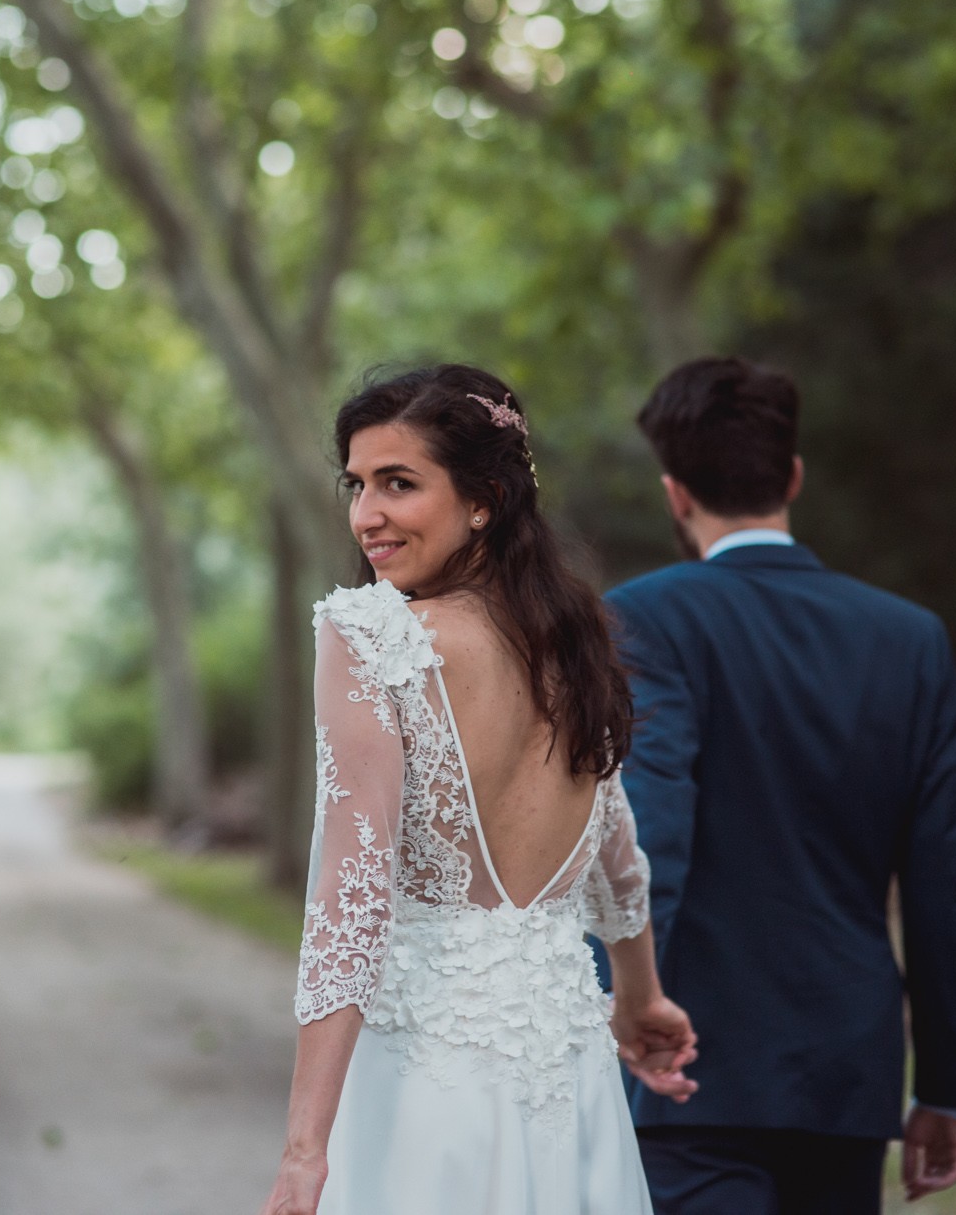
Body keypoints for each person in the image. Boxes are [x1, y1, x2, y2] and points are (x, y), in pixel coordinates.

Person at [262, 364, 698, 1215]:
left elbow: (353, 901)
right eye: (357, 484)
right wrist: (640, 998)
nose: (366, 515)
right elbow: (618, 860)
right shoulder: (578, 647)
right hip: (569, 1084)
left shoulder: (369, 632)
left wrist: (304, 1152)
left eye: (398, 483)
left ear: (484, 499)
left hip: (426, 1088)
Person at [604, 357, 956, 1214]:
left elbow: (642, 834)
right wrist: (949, 1084)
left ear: (675, 493)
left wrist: (623, 1014)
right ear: (795, 478)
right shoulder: (910, 638)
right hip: (845, 1073)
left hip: (687, 1066)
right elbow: (941, 884)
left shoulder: (643, 616)